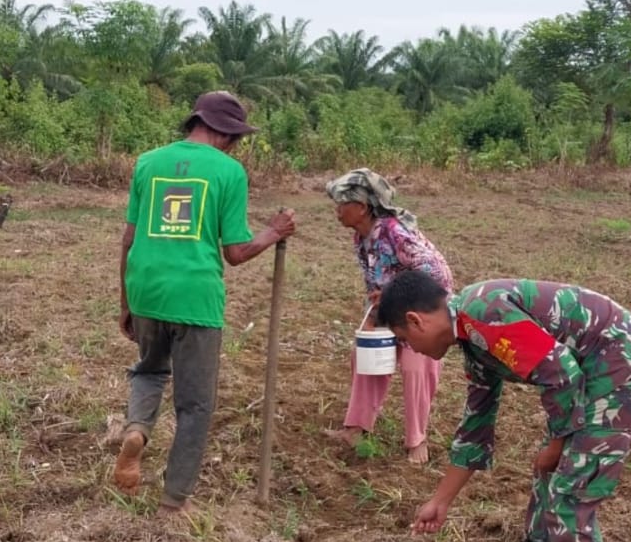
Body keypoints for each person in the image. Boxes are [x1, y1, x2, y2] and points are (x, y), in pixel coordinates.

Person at [376, 272, 631, 542]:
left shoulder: (484, 313)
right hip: (594, 374)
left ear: (416, 320)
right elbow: (476, 423)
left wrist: (559, 440)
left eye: (404, 340)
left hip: (626, 368)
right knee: (551, 471)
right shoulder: (470, 335)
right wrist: (441, 500)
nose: (410, 349)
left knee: (572, 493)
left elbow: (562, 373)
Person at [112, 90, 297, 512]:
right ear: (227, 135)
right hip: (195, 298)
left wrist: (125, 300)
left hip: (145, 288)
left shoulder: (147, 162)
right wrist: (273, 232)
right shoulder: (228, 172)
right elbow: (235, 252)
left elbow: (128, 237)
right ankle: (174, 499)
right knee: (195, 403)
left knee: (148, 371)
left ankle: (137, 430)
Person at [324, 168, 455, 464]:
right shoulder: (362, 238)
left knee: (415, 367)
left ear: (362, 207)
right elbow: (376, 279)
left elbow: (437, 273)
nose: (337, 210)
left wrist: (395, 292)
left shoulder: (397, 232)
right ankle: (356, 427)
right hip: (390, 309)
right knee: (365, 355)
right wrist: (374, 312)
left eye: (342, 203)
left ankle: (416, 439)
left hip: (420, 311)